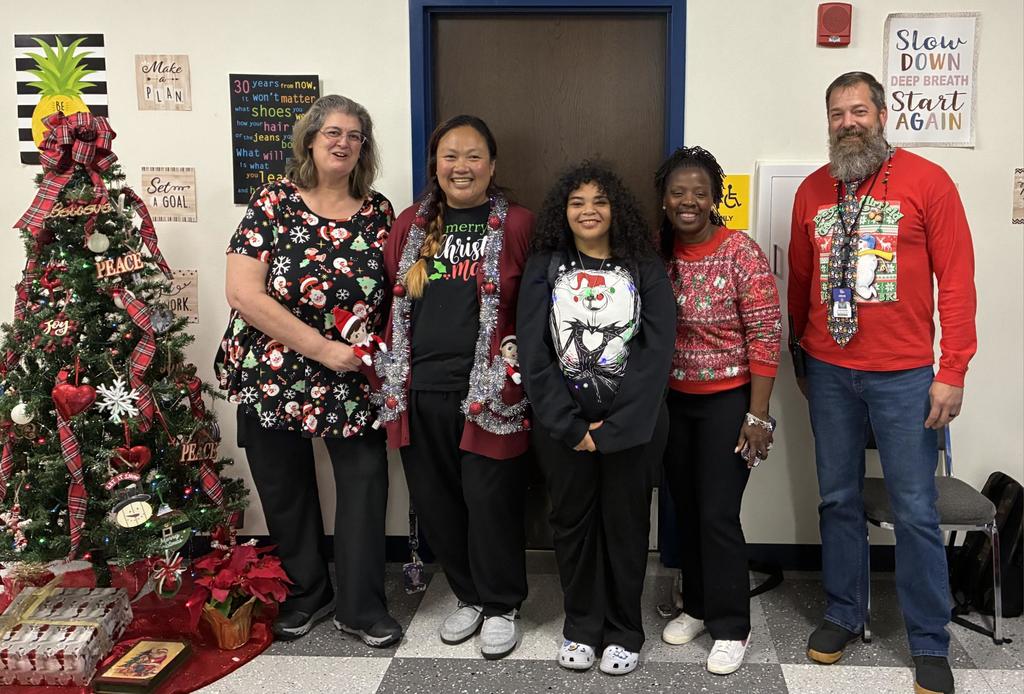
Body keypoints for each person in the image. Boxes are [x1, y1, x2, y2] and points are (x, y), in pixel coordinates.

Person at [789, 71, 975, 694]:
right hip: (831, 369)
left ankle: (929, 641)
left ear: (883, 113)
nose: (849, 123)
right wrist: (799, 352)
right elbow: (799, 276)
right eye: (837, 113)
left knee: (916, 509)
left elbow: (957, 280)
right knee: (837, 498)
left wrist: (952, 371)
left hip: (905, 377)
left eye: (859, 110)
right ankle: (844, 612)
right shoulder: (814, 191)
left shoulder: (928, 181)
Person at [216, 94, 401, 647]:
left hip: (353, 372)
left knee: (365, 482)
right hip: (274, 366)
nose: (343, 143)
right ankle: (307, 591)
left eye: (354, 136)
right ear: (311, 140)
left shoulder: (380, 211)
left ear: (363, 149)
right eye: (333, 133)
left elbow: (395, 295)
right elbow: (243, 293)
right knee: (284, 485)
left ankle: (363, 605)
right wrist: (321, 348)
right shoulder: (272, 202)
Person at [376, 115, 532, 660]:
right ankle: (467, 594)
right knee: (438, 501)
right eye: (449, 156)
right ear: (435, 166)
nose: (460, 166)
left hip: (489, 394)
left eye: (472, 156)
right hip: (418, 390)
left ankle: (502, 602)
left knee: (490, 501)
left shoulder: (517, 225)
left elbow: (533, 309)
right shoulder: (410, 225)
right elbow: (393, 304)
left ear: (492, 165)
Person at [517, 162, 674, 676]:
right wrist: (571, 427)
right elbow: (535, 354)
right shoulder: (545, 265)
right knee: (571, 526)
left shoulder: (643, 266)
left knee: (626, 527)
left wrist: (616, 431)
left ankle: (625, 631)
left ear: (616, 210)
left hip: (633, 431)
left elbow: (655, 353)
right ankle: (582, 627)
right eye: (577, 202)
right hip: (563, 430)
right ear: (564, 212)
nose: (588, 211)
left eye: (599, 201)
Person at [656, 146, 782, 675]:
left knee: (717, 513)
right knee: (684, 508)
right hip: (671, 402)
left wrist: (757, 416)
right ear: (664, 199)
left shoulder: (740, 253)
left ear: (715, 198)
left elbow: (766, 334)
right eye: (678, 192)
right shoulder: (656, 254)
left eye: (699, 192)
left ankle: (732, 625)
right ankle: (699, 606)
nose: (688, 201)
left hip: (728, 402)